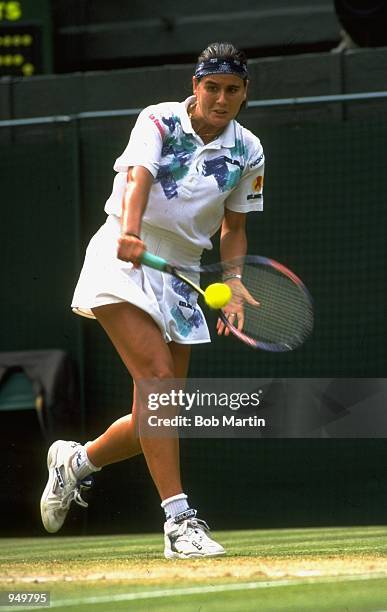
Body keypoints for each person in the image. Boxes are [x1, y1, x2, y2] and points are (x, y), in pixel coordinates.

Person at [40, 42, 265, 559]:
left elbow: (234, 226)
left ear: (245, 92)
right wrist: (133, 231)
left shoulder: (248, 149)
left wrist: (230, 282)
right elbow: (139, 175)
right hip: (123, 257)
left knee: (157, 416)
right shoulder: (159, 120)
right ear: (196, 86)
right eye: (212, 87)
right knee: (160, 385)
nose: (221, 98)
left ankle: (75, 464)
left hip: (184, 274)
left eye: (232, 89)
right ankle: (179, 522)